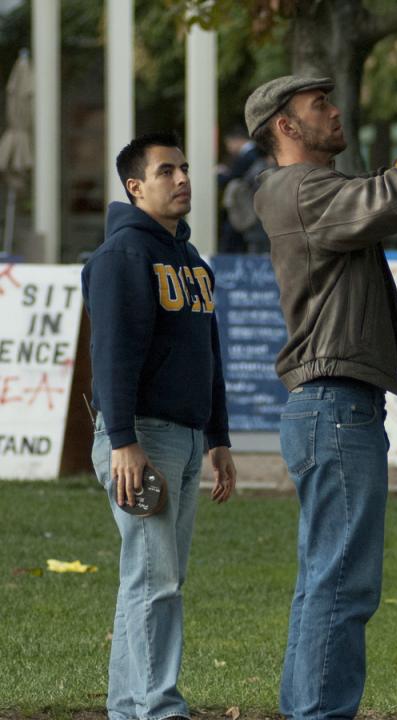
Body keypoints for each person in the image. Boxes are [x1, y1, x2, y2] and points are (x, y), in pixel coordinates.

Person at [244, 72, 397, 718]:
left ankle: (308, 711)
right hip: (335, 409)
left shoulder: (306, 190)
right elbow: (392, 200)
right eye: (318, 104)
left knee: (325, 581)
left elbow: (383, 192)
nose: (333, 109)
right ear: (286, 128)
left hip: (334, 410)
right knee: (343, 585)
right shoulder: (298, 191)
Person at [82, 131, 238, 720]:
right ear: (134, 187)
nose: (182, 179)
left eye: (185, 168)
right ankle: (158, 709)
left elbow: (208, 353)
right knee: (156, 582)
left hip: (187, 436)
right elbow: (113, 353)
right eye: (166, 171)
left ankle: (130, 707)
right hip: (141, 438)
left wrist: (218, 437)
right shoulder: (125, 254)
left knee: (150, 580)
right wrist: (123, 440)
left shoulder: (189, 259)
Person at [216, 124, 270, 254]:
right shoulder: (256, 153)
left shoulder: (248, 156)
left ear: (236, 140)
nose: (228, 148)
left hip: (248, 210)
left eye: (228, 143)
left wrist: (220, 174)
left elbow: (232, 178)